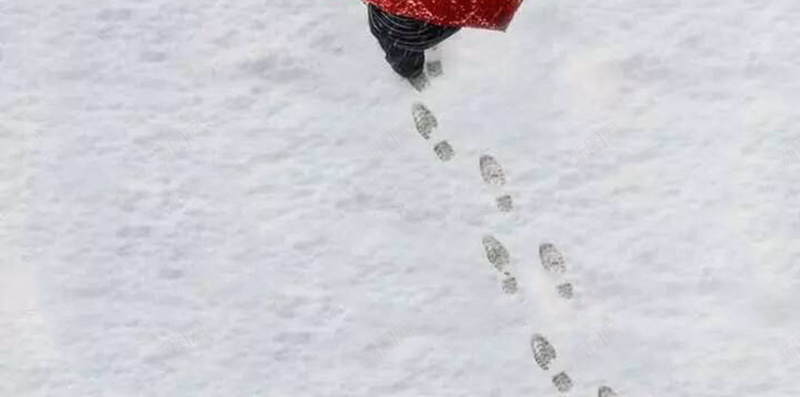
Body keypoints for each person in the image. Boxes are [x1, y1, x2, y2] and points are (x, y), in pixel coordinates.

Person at [367, 3, 460, 86]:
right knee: (403, 55)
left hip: (441, 15)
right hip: (395, 24)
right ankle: (413, 72)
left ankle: (432, 49)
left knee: (436, 30)